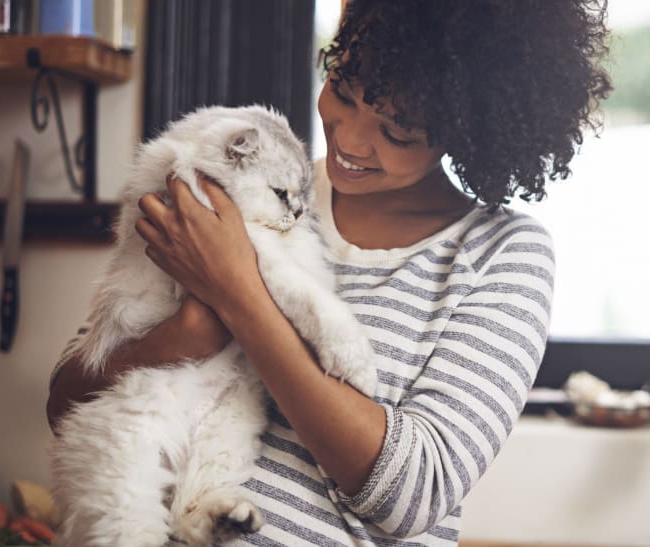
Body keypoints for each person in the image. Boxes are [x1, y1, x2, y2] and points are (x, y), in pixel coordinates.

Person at [46, 0, 611, 544]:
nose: (349, 139)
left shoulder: (504, 255)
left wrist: (240, 296)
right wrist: (184, 337)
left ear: (466, 132)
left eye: (398, 132)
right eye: (343, 89)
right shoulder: (254, 184)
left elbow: (412, 496)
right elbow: (68, 400)